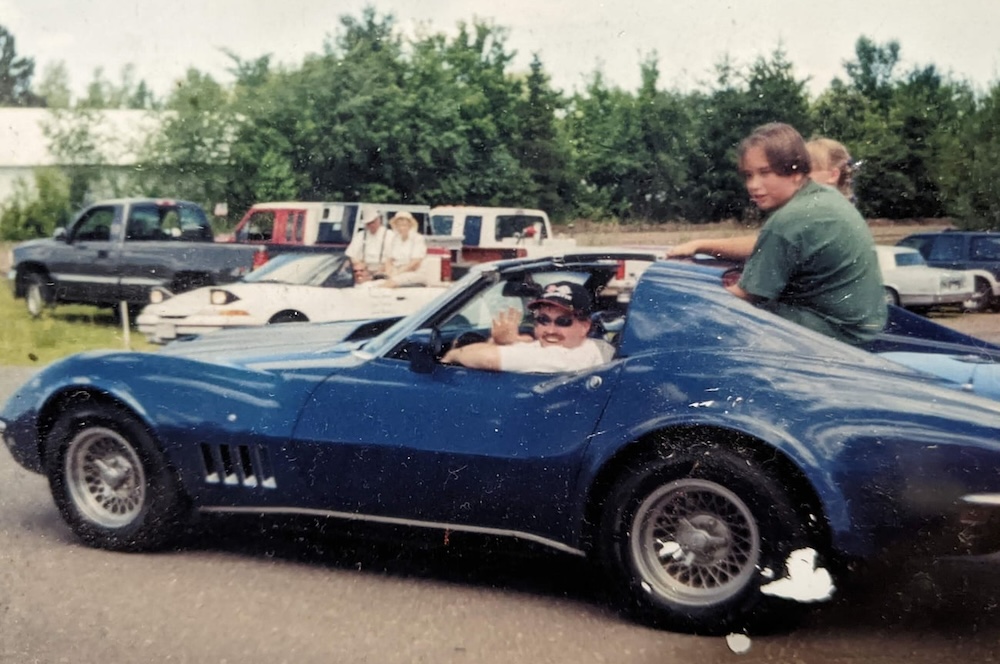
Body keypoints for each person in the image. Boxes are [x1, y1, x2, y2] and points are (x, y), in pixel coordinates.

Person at [667, 122, 887, 346]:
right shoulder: (822, 198)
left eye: (765, 173)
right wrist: (702, 244)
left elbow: (745, 295)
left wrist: (684, 303)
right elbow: (767, 244)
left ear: (794, 171)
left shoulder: (790, 219)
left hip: (833, 336)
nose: (753, 185)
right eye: (748, 175)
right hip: (860, 329)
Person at [440, 281, 614, 372]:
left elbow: (488, 359)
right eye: (543, 320)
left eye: (563, 321)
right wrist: (502, 341)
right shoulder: (594, 346)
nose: (550, 330)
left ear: (585, 326)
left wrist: (453, 354)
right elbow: (531, 344)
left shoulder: (564, 357)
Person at [377, 211, 428, 287]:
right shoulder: (394, 239)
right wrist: (388, 273)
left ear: (410, 225)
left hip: (414, 273)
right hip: (396, 272)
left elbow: (415, 262)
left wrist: (398, 273)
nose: (401, 228)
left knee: (389, 284)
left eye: (404, 225)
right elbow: (389, 260)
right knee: (376, 282)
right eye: (399, 225)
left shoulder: (417, 239)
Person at [345, 208, 394, 282]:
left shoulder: (390, 235)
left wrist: (382, 270)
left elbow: (392, 257)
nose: (371, 225)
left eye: (373, 222)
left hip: (384, 270)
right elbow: (352, 255)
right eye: (368, 223)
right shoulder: (360, 235)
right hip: (363, 271)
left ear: (379, 220)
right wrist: (361, 267)